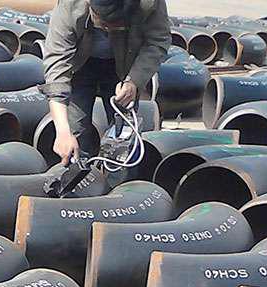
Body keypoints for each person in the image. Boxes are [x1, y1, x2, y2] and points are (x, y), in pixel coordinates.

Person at [39, 0, 171, 164]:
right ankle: (80, 172)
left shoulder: (149, 3)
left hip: (124, 66)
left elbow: (158, 41)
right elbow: (56, 63)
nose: (108, 31)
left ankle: (119, 174)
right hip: (80, 65)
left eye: (116, 26)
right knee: (76, 129)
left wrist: (134, 81)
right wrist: (63, 131)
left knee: (123, 135)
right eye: (104, 24)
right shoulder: (71, 5)